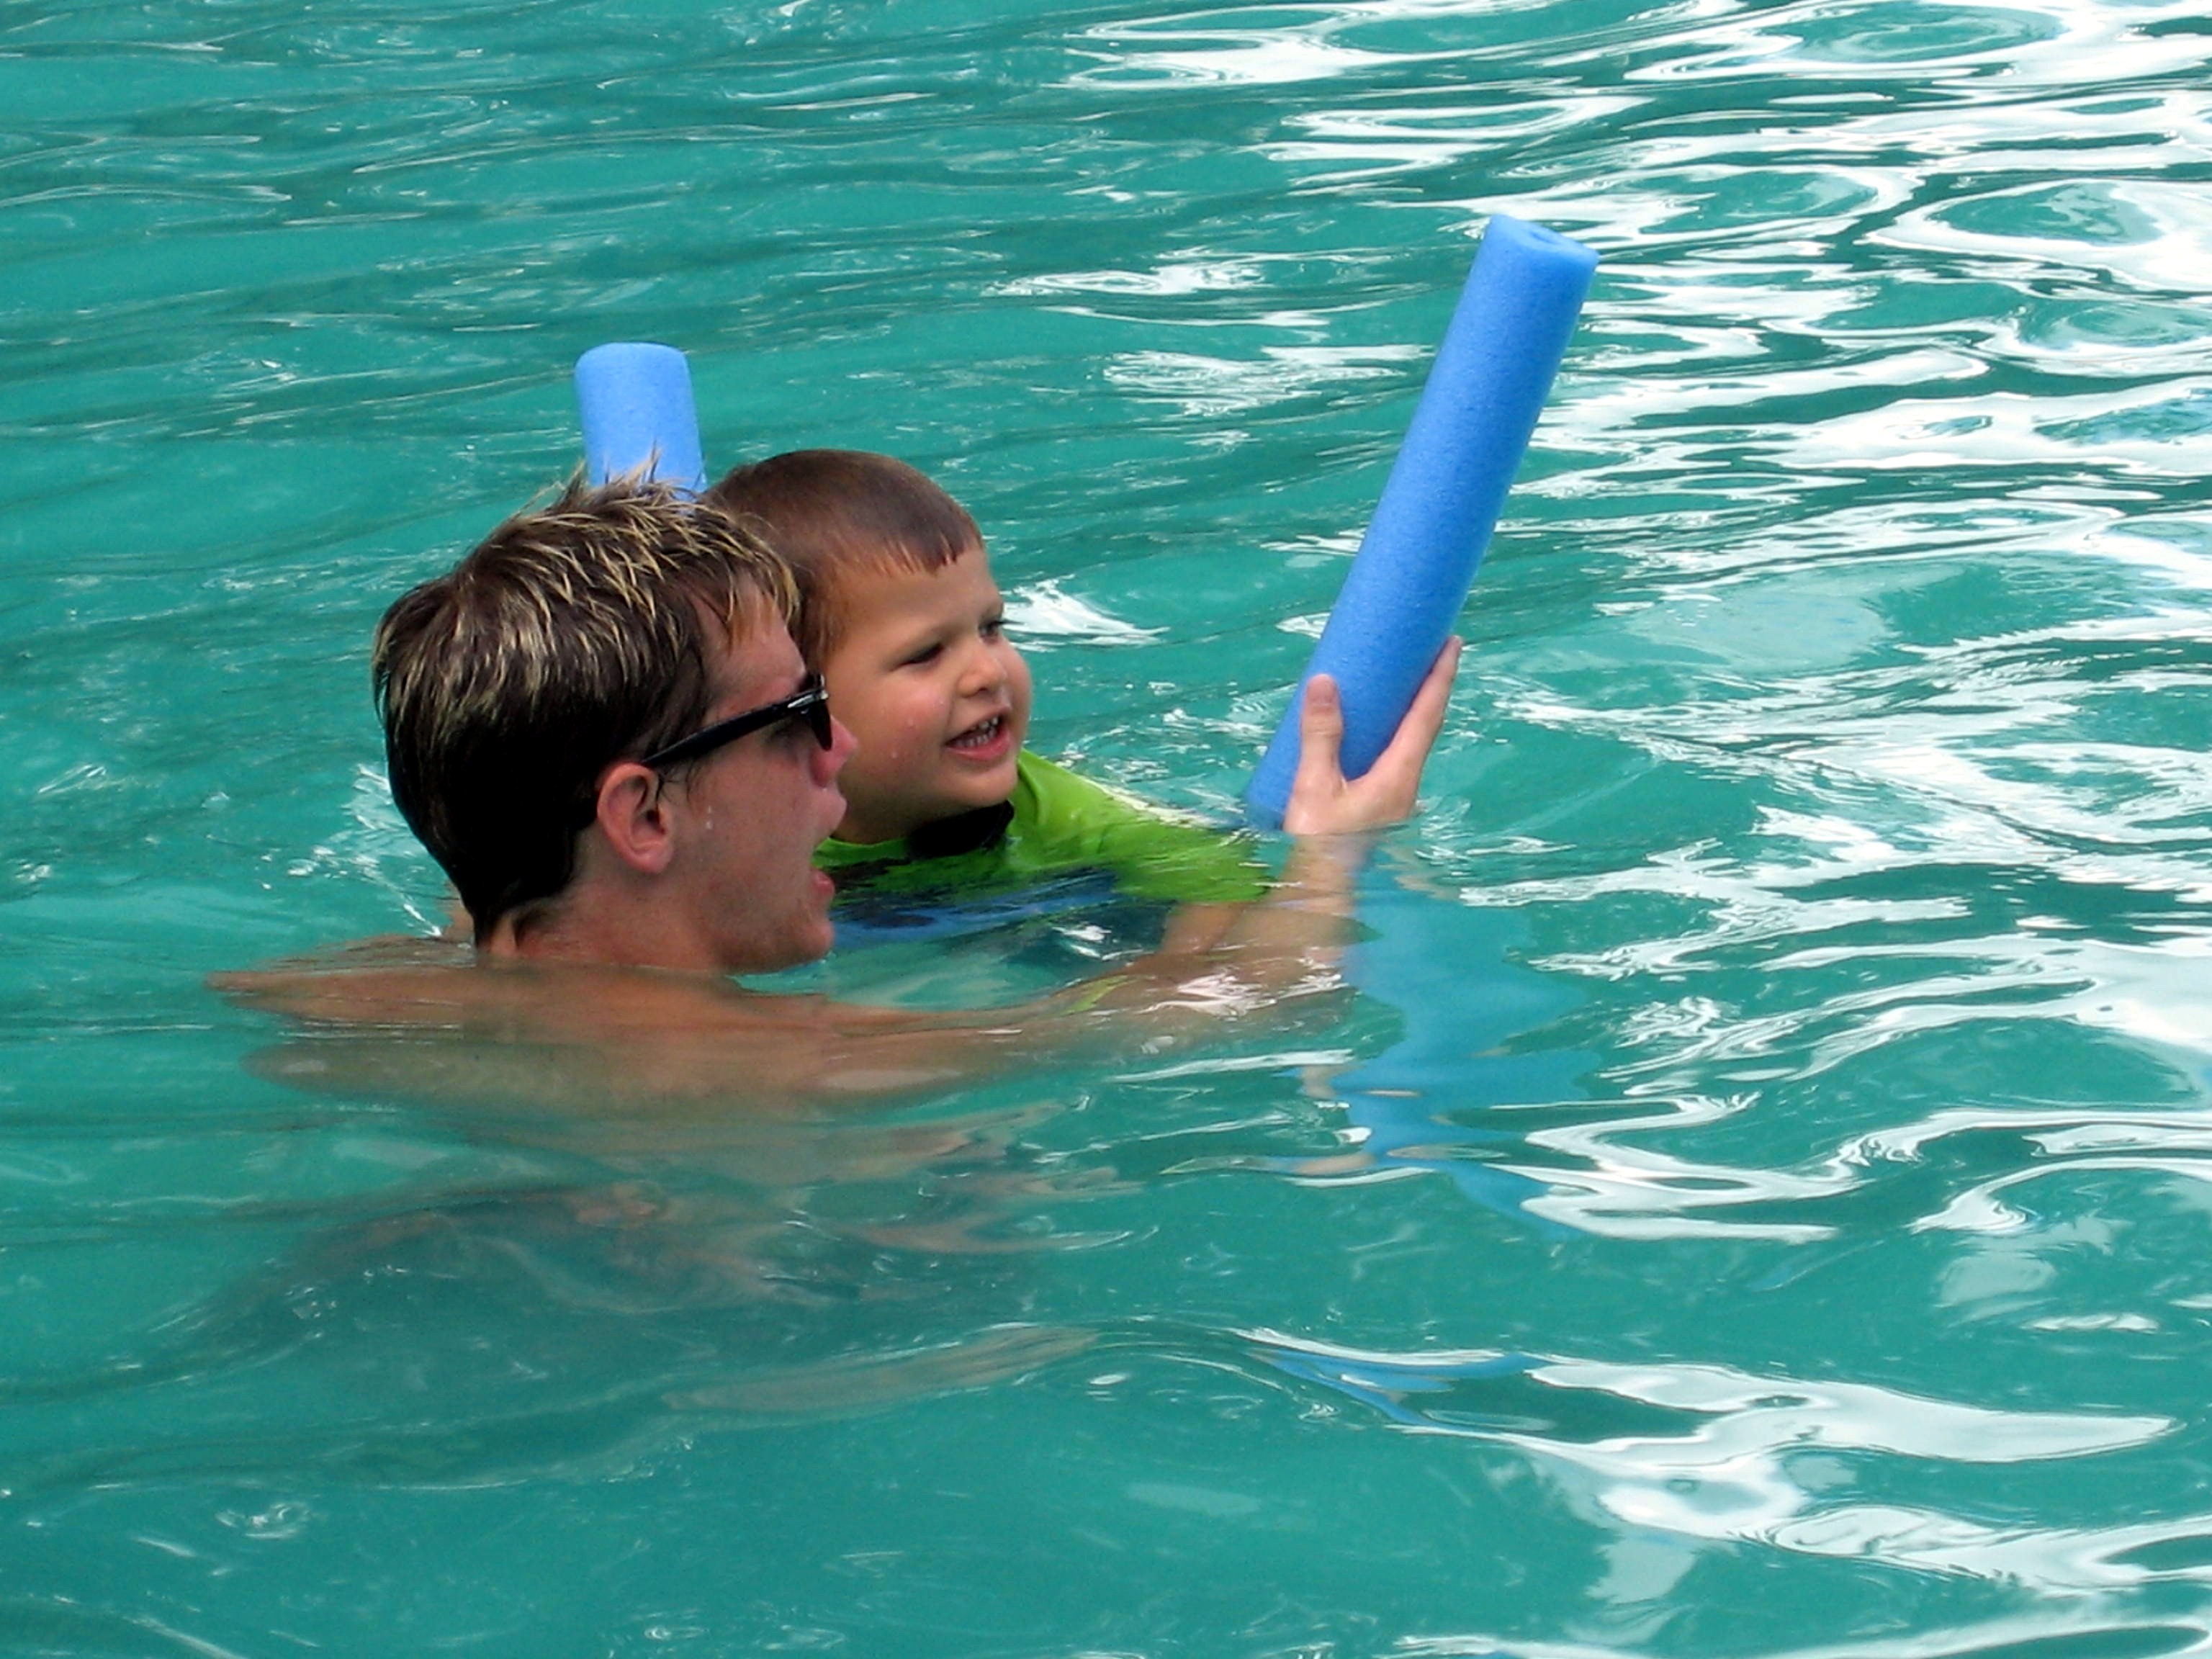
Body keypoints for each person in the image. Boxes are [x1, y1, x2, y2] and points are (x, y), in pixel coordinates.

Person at [223, 475, 1457, 1116]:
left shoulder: (345, 1002)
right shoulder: (764, 1073)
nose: (839, 755)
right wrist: (1328, 859)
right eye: (801, 716)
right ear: (642, 817)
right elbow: (1230, 1005)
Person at [706, 449, 1462, 950]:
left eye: (992, 627)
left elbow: (1226, 897)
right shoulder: (724, 840)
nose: (986, 672)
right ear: (790, 697)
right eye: (926, 654)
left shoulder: (1060, 814)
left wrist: (1323, 859)